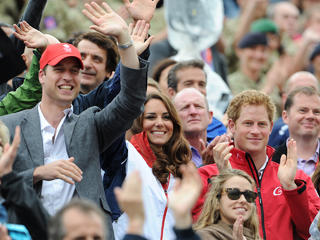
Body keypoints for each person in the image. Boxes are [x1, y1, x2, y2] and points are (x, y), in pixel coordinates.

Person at [0, 2, 147, 239]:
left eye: (74, 70)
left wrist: (124, 41)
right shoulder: (9, 125)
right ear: (41, 75)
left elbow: (131, 102)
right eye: (59, 69)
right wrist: (38, 172)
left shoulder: (91, 123)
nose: (67, 77)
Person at [193, 90, 320, 240]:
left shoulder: (296, 178)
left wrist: (290, 188)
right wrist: (225, 180)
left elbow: (312, 232)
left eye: (261, 124)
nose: (255, 131)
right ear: (232, 126)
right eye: (248, 123)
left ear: (271, 127)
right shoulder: (207, 175)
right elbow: (198, 229)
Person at [113, 92, 191, 240]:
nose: (160, 123)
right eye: (151, 117)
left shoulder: (182, 166)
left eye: (166, 117)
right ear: (138, 122)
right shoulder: (126, 156)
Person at [167, 59, 227, 141]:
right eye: (188, 84)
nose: (196, 89)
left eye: (201, 84)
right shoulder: (161, 126)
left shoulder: (218, 128)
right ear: (172, 93)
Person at [194, 169, 260, 240]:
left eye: (249, 195)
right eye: (234, 194)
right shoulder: (202, 236)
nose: (243, 200)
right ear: (217, 201)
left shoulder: (255, 237)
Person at [272, 87, 320, 177]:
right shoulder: (270, 160)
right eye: (303, 110)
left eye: (316, 112)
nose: (310, 116)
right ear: (285, 116)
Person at [173, 88, 227, 167]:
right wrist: (206, 166)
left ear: (210, 116)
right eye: (185, 107)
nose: (193, 112)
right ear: (173, 118)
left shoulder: (224, 152)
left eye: (198, 106)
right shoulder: (167, 157)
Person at [268, 71, 319, 148]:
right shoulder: (279, 129)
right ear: (285, 98)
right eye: (298, 90)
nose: (306, 95)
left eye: (311, 90)